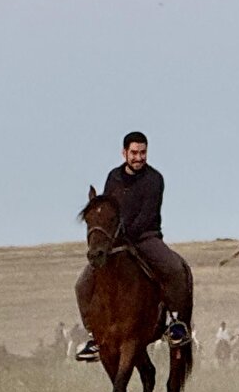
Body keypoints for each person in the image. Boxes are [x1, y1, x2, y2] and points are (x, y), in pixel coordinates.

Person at [75, 132, 194, 362]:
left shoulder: (154, 179)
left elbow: (148, 214)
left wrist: (125, 232)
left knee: (174, 269)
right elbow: (110, 209)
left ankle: (175, 323)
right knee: (82, 284)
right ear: (124, 153)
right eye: (134, 153)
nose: (139, 157)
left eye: (143, 153)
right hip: (116, 241)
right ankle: (93, 336)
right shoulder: (113, 178)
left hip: (146, 238)